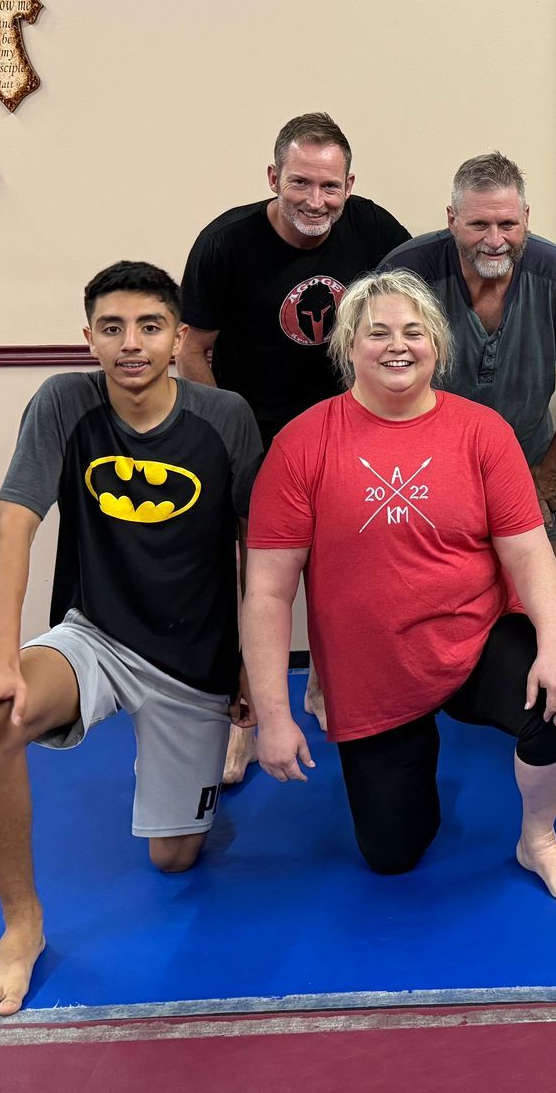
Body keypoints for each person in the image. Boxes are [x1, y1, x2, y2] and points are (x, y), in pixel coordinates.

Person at [0, 262, 263, 1017]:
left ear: (179, 338)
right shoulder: (64, 402)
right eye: (112, 328)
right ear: (88, 337)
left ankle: (203, 752)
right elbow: (13, 526)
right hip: (97, 637)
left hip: (195, 660)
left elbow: (256, 550)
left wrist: (253, 667)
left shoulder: (226, 417)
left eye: (150, 327)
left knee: (174, 859)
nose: (131, 344)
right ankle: (22, 929)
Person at [241, 269, 556, 905]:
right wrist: (273, 715)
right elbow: (267, 592)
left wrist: (555, 643)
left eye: (413, 331)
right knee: (393, 856)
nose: (396, 346)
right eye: (377, 333)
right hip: (374, 667)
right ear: (349, 347)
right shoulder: (302, 445)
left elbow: (527, 549)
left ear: (437, 343)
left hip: (477, 635)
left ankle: (537, 839)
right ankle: (411, 747)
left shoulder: (483, 432)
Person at [179, 112, 410, 772]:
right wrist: (228, 434)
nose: (316, 201)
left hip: (347, 430)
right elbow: (192, 350)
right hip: (258, 435)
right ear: (274, 177)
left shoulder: (375, 229)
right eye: (301, 183)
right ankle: (246, 713)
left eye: (330, 186)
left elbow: (405, 318)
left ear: (350, 184)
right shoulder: (226, 243)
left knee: (346, 567)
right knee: (258, 580)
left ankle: (323, 682)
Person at [380, 153, 556, 535]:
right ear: (452, 220)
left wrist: (549, 472)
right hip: (421, 472)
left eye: (508, 224)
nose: (494, 240)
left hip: (524, 467)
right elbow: (372, 382)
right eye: (478, 224)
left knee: (530, 590)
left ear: (526, 219)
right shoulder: (405, 275)